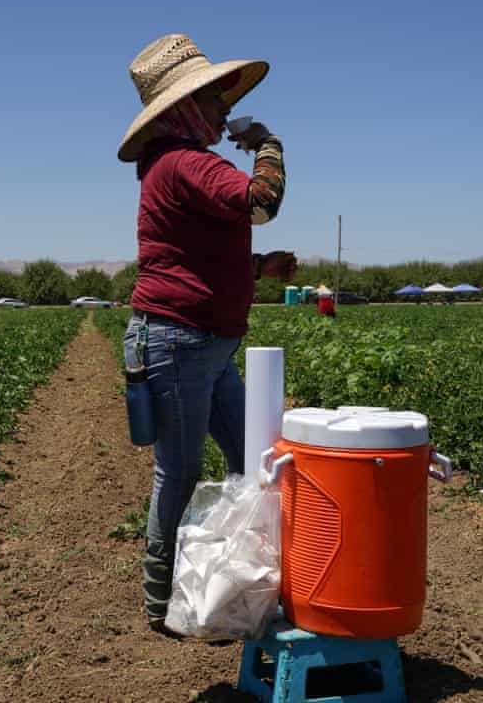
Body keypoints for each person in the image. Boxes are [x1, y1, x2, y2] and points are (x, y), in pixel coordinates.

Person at [117, 33, 296, 635]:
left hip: (204, 344)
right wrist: (268, 143)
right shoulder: (188, 162)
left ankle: (237, 573)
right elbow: (262, 201)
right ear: (183, 108)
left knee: (251, 455)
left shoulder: (172, 167)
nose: (224, 108)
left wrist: (253, 268)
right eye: (214, 99)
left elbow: (189, 257)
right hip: (179, 341)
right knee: (180, 469)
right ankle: (162, 600)